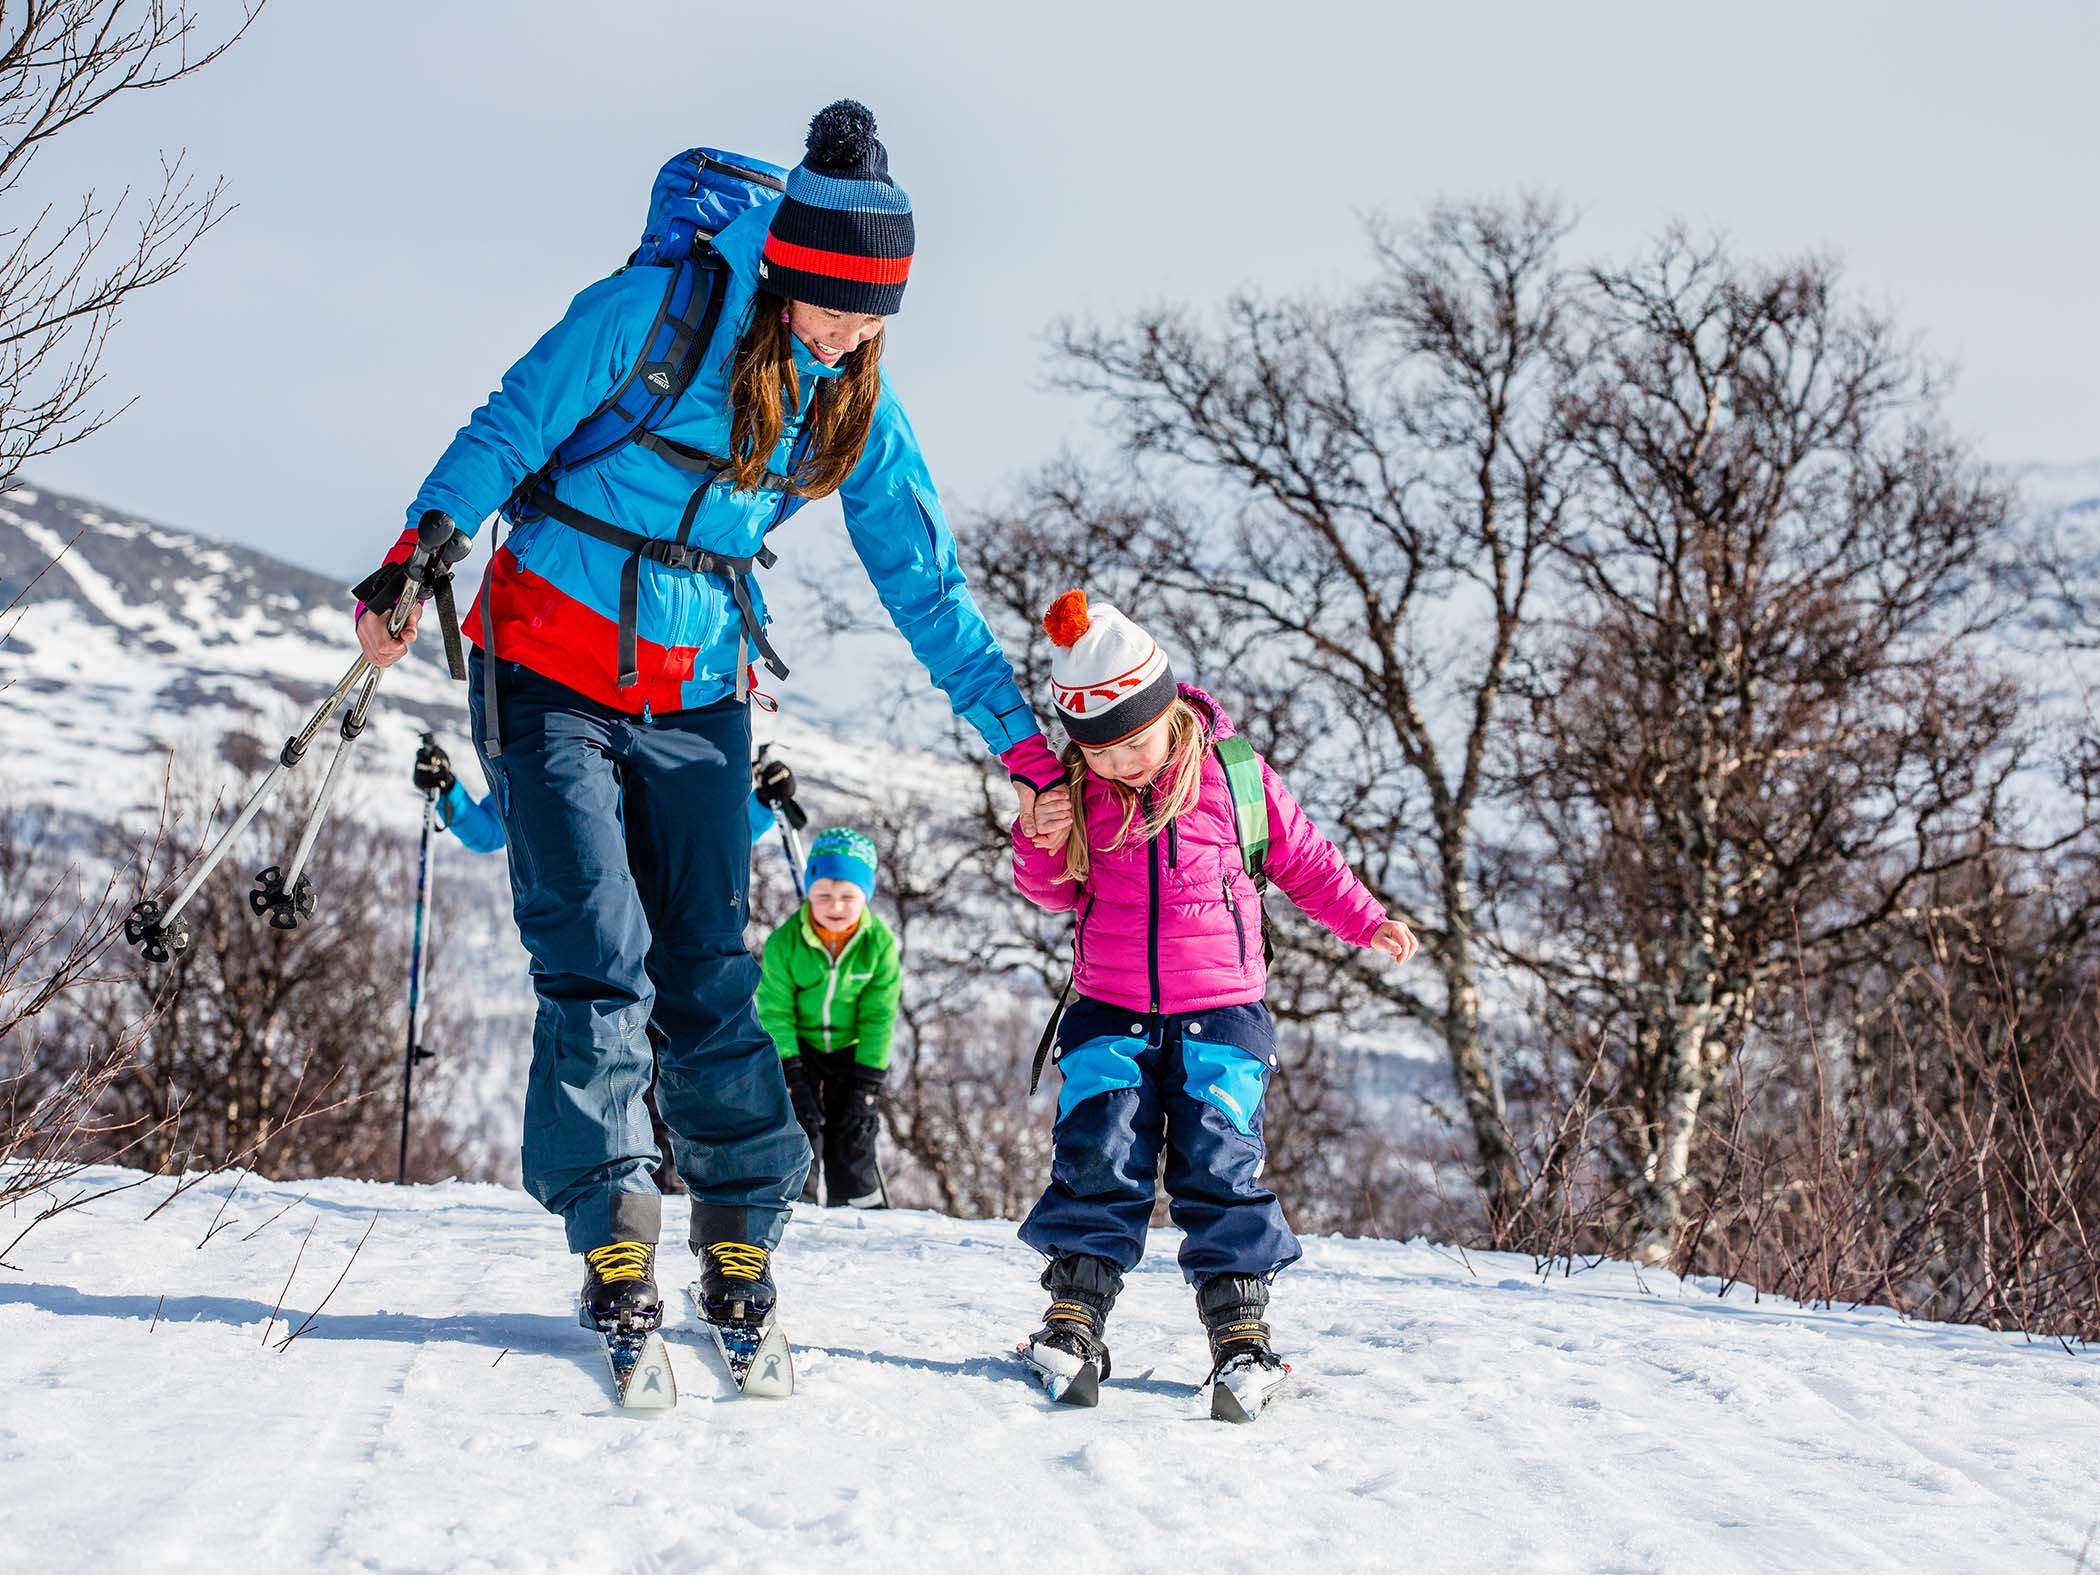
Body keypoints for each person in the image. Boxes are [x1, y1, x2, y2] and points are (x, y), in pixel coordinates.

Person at [350, 101, 1064, 1343]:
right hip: (547, 665)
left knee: (709, 965)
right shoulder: (653, 317)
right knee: (595, 954)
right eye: (835, 308)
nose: (850, 338)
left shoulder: (857, 403)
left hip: (696, 690)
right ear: (785, 267)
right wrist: (421, 555)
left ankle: (741, 1224)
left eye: (874, 318)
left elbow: (927, 586)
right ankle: (614, 1232)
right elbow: (511, 423)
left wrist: (1017, 743)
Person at [1011, 590, 1416, 1390]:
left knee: (1221, 1167)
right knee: (1099, 1156)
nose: (1124, 762)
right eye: (1104, 750)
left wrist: (1367, 921)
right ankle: (1074, 1318)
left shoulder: (1236, 777)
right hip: (1109, 1013)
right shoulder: (1078, 792)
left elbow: (1307, 860)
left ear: (1171, 711)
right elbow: (1052, 890)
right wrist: (1039, 834)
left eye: (1138, 741)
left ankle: (1241, 1333)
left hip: (1223, 1017)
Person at [757, 827, 899, 1208]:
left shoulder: (879, 945)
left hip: (853, 1051)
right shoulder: (785, 942)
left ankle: (859, 1208)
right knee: (801, 1126)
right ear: (809, 892)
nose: (835, 907)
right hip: (800, 1048)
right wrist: (791, 1072)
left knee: (853, 1128)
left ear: (865, 896)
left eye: (847, 897)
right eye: (823, 895)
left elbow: (879, 1015)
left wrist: (868, 1081)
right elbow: (775, 1009)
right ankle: (792, 1206)